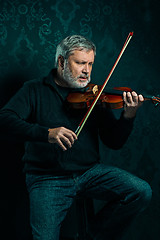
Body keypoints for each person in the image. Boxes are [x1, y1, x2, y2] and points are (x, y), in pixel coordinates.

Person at [0, 35, 152, 240]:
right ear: (62, 61)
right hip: (47, 177)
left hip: (89, 173)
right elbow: (4, 119)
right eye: (80, 63)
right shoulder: (34, 89)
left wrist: (129, 115)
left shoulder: (94, 95)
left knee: (141, 191)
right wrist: (47, 133)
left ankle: (90, 236)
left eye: (90, 64)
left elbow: (114, 142)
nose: (87, 70)